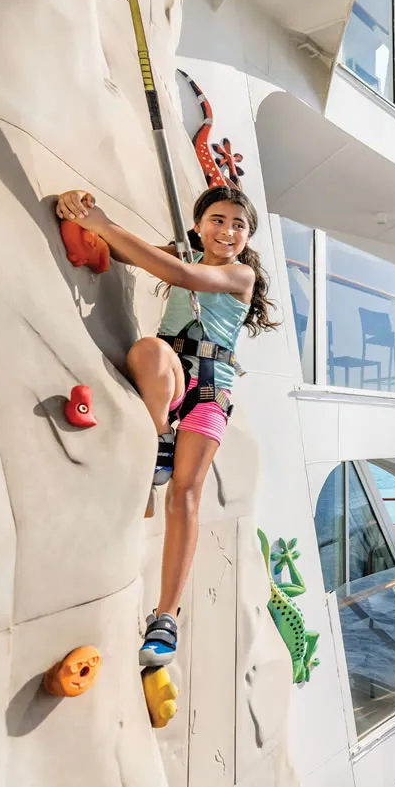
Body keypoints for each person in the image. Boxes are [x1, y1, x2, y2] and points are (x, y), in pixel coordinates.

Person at [55, 185, 278, 668]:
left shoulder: (239, 275)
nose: (228, 231)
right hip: (170, 372)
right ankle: (159, 441)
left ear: (247, 237)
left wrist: (102, 224)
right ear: (198, 225)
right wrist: (83, 212)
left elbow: (179, 275)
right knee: (149, 350)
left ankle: (166, 616)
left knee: (186, 493)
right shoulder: (184, 252)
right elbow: (125, 251)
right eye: (217, 220)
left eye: (238, 225)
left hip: (211, 388)